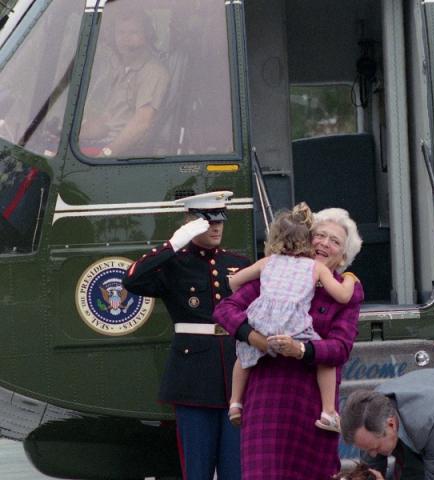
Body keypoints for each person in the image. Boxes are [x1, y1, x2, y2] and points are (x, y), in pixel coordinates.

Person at [214, 207, 364, 480]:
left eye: (335, 241)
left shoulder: (346, 288)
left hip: (312, 407)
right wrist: (254, 338)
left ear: (344, 256)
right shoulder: (276, 273)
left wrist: (302, 350)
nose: (324, 244)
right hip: (266, 402)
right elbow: (225, 310)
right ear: (307, 238)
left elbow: (341, 348)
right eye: (319, 235)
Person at [122, 191, 249, 480]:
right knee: (197, 469)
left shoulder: (238, 264)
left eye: (220, 220)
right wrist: (173, 244)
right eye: (207, 221)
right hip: (193, 379)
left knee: (237, 470)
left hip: (236, 374)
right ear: (191, 222)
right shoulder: (173, 264)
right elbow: (131, 280)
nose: (216, 227)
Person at [79, 7, 169, 157]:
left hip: (121, 152)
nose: (125, 38)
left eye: (133, 32)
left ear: (147, 35)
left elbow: (142, 122)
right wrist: (76, 134)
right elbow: (108, 120)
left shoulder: (154, 72)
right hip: (104, 141)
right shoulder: (122, 70)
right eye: (120, 32)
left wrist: (106, 154)